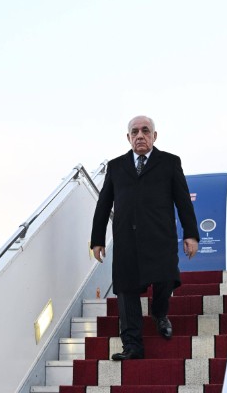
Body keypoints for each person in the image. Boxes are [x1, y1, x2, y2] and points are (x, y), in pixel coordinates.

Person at [90, 115, 200, 361]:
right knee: (126, 290)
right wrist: (97, 239)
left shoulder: (170, 162)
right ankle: (132, 346)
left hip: (160, 237)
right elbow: (103, 204)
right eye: (135, 132)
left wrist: (191, 234)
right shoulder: (116, 166)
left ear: (154, 135)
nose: (140, 135)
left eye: (145, 130)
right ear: (128, 137)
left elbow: (183, 201)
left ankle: (159, 314)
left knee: (166, 278)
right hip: (126, 240)